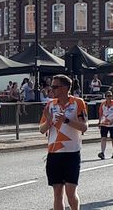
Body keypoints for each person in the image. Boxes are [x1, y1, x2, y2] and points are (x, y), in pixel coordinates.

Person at [39, 74, 88, 210]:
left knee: (71, 193)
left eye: (55, 86)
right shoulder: (49, 105)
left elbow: (84, 127)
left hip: (71, 153)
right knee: (57, 193)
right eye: (52, 86)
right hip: (54, 154)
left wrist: (66, 120)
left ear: (65, 88)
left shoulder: (78, 102)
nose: (51, 89)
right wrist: (49, 122)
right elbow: (42, 129)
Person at [97, 91, 113, 159]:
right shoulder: (102, 104)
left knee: (112, 139)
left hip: (112, 124)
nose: (109, 97)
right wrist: (99, 122)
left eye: (111, 96)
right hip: (104, 124)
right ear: (105, 97)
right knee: (103, 138)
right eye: (108, 96)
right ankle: (102, 153)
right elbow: (100, 113)